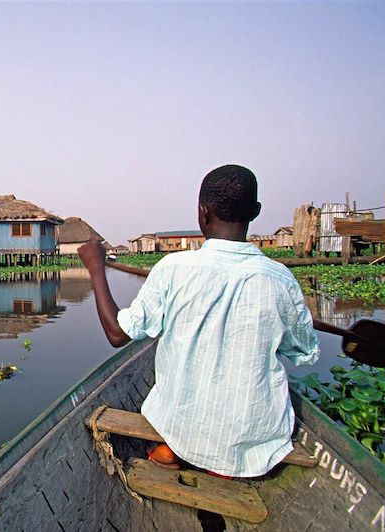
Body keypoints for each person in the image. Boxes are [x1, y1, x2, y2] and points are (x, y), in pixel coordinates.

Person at [78, 164, 319, 478]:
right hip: (258, 440)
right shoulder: (280, 280)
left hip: (181, 426)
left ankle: (178, 449)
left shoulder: (174, 268)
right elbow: (302, 352)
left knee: (176, 418)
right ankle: (215, 460)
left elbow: (116, 334)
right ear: (256, 212)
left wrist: (97, 269)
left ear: (202, 213)